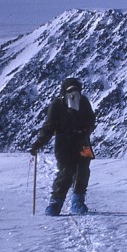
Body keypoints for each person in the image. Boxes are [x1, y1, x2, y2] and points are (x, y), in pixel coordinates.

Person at [30, 77, 97, 216]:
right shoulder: (57, 104)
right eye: (70, 90)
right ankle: (56, 202)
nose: (73, 93)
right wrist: (39, 143)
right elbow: (49, 126)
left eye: (75, 90)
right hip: (63, 143)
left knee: (83, 170)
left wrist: (86, 129)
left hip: (83, 141)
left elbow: (91, 119)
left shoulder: (83, 102)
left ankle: (77, 201)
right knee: (66, 170)